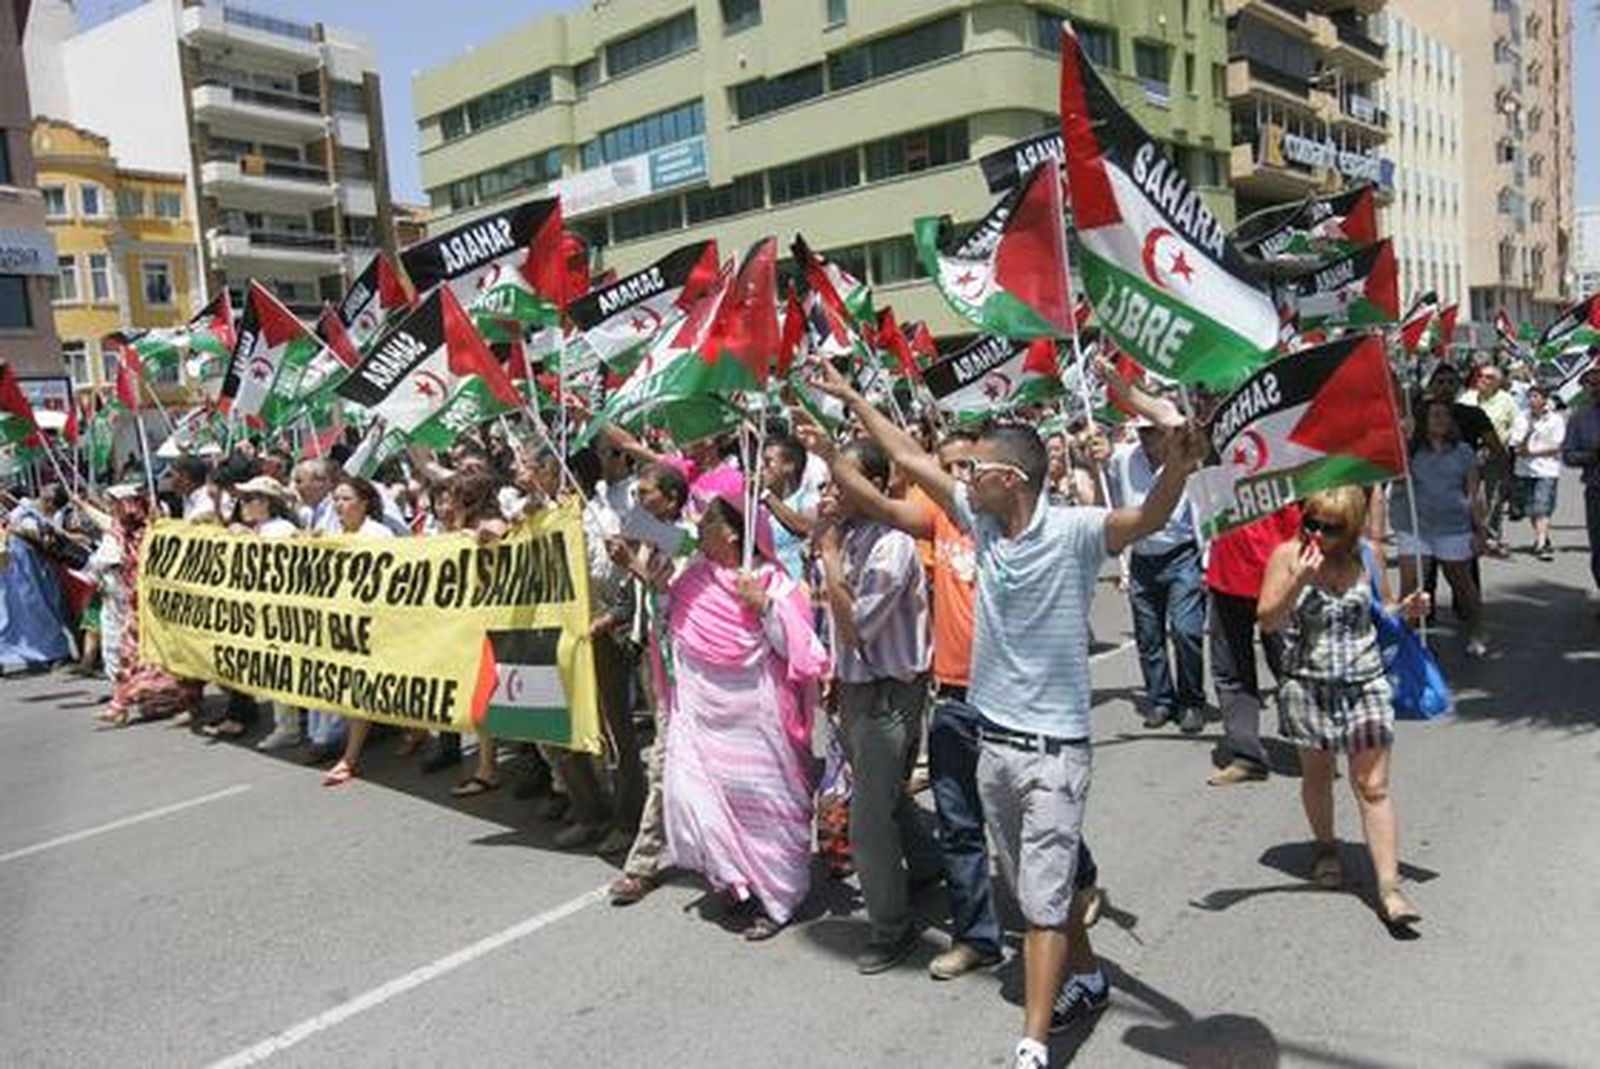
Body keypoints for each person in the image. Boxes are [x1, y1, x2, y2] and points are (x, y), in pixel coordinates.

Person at [808, 361, 1206, 1068]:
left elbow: (1148, 517)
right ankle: (1085, 978)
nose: (965, 479)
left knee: (1041, 906)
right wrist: (849, 398)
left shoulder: (1079, 531)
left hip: (1055, 753)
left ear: (1010, 481)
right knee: (1037, 885)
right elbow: (905, 454)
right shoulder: (981, 524)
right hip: (994, 747)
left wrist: (1175, 466)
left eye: (979, 468)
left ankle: (1031, 1044)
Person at [1258, 486, 1428, 927]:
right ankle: (1327, 847)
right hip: (1307, 685)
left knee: (1373, 787)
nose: (1317, 532)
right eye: (1310, 521)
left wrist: (1408, 609)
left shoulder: (1367, 555)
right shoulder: (1287, 555)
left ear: (1350, 528)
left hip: (1365, 684)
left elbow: (1383, 611)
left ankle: (1390, 888)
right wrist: (1298, 579)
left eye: (1330, 527)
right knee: (1318, 776)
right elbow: (1267, 619)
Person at [661, 495, 829, 939]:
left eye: (706, 526)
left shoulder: (773, 581)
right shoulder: (692, 578)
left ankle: (778, 899)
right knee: (699, 797)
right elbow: (674, 626)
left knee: (764, 806)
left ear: (732, 534)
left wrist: (766, 607)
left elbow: (800, 648)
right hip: (705, 719)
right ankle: (735, 879)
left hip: (758, 719)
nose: (696, 532)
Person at [816, 438, 942, 975]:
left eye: (838, 482)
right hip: (855, 688)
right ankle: (931, 863)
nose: (826, 494)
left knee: (867, 817)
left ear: (869, 485)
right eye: (825, 483)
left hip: (891, 694)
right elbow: (830, 626)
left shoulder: (892, 546)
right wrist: (833, 673)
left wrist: (828, 560)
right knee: (882, 793)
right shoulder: (842, 537)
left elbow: (860, 629)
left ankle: (892, 927)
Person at [609, 462, 694, 905]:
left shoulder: (688, 540)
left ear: (672, 499)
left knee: (662, 765)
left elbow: (680, 594)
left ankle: (642, 864)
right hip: (653, 663)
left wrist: (636, 567)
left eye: (647, 493)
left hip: (687, 673)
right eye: (637, 493)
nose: (639, 500)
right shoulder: (647, 539)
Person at [1109, 420, 1206, 733]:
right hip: (1143, 558)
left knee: (1186, 631)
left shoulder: (1187, 460)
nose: (1147, 437)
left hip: (1182, 554)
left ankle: (1191, 700)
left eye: (1153, 430)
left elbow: (1203, 509)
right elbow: (1105, 496)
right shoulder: (1123, 458)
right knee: (1149, 635)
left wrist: (1207, 559)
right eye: (1141, 431)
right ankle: (1162, 699)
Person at [1204, 506, 1301, 785]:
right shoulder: (1212, 461)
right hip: (1226, 575)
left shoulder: (1287, 462)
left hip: (1280, 575)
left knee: (1293, 666)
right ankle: (1247, 756)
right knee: (1230, 671)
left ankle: (1312, 746)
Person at [94, 490, 203, 726]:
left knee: (175, 656)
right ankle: (119, 705)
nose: (117, 511)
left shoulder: (160, 531)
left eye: (119, 505)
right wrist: (81, 503)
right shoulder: (122, 533)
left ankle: (189, 701)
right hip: (137, 607)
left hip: (165, 606)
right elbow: (104, 527)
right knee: (130, 656)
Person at [1390, 399, 1489, 657]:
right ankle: (1405, 643)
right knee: (1411, 588)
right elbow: (1391, 476)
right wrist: (1402, 438)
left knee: (1462, 584)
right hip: (1414, 526)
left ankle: (1477, 629)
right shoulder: (1410, 451)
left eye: (1445, 415)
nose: (1440, 419)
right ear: (1423, 420)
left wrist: (1481, 529)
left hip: (1453, 526)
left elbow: (1474, 492)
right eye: (1434, 415)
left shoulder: (1464, 451)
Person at [206, 476, 300, 739]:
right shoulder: (261, 528)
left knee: (280, 669)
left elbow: (280, 566)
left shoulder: (282, 529)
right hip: (259, 611)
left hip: (279, 611)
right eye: (241, 499)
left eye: (248, 499)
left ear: (267, 502)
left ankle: (288, 727)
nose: (242, 504)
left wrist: (248, 540)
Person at [317, 476, 397, 784]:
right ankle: (415, 732)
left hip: (374, 623)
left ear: (364, 502)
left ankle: (350, 758)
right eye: (335, 499)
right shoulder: (331, 532)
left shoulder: (379, 534)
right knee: (361, 687)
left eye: (346, 498)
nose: (339, 505)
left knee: (365, 687)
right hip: (342, 623)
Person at [1460, 365, 1519, 555]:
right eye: (1480, 376)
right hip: (1470, 454)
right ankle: (1471, 533)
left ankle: (1492, 537)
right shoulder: (1467, 398)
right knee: (1470, 496)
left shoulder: (1507, 400)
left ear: (1498, 382)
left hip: (1495, 454)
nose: (1483, 380)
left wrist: (1506, 440)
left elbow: (1517, 426)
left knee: (1494, 497)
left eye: (1489, 377)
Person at [1509, 385, 1566, 560]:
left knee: (1543, 505)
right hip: (1524, 470)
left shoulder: (1555, 420)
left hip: (1547, 469)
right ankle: (1542, 536)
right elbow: (1517, 445)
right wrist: (1528, 434)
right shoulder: (1521, 418)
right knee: (1531, 508)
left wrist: (1533, 453)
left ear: (1544, 399)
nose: (1532, 400)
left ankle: (1541, 544)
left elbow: (1557, 446)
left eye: (1536, 396)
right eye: (1530, 396)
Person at [1561, 361, 1600, 601]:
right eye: (1592, 383)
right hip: (1597, 489)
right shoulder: (1580, 419)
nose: (1596, 387)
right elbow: (1568, 456)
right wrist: (1593, 455)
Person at [760, 432, 818, 581]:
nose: (761, 468)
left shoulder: (807, 499)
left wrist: (767, 496)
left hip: (796, 585)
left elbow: (805, 527)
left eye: (768, 462)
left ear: (789, 466)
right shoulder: (758, 504)